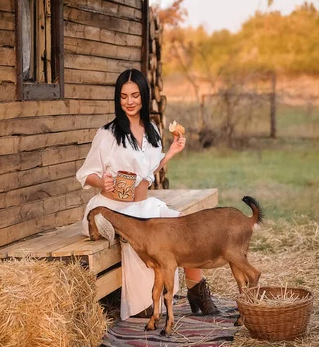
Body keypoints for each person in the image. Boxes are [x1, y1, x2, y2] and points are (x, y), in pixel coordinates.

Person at [75, 69, 218, 320]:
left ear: (143, 96)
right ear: (117, 99)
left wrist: (171, 152)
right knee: (145, 238)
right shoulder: (107, 134)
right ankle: (143, 305)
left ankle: (197, 290)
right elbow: (86, 174)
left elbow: (149, 170)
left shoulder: (151, 129)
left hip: (143, 206)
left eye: (134, 95)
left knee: (187, 228)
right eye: (123, 96)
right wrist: (103, 182)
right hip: (112, 208)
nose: (129, 102)